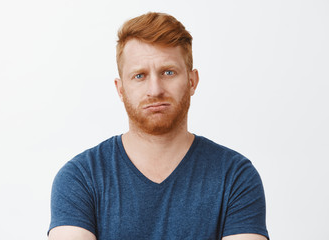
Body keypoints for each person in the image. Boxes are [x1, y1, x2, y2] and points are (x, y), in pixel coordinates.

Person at [48, 12, 269, 240]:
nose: (155, 90)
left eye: (168, 72)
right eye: (139, 76)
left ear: (192, 81)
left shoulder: (234, 176)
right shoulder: (80, 178)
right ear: (120, 89)